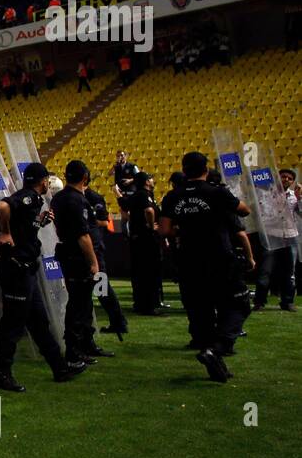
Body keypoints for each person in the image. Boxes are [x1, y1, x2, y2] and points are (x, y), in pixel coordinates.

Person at [0, 163, 87, 391]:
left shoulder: (33, 203)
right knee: (13, 325)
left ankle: (59, 368)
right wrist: (4, 232)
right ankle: (1, 375)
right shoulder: (30, 197)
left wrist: (39, 221)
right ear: (43, 181)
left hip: (25, 270)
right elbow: (3, 206)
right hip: (17, 269)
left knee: (39, 322)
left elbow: (24, 225)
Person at [159, 152, 251, 382]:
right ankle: (217, 350)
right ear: (206, 170)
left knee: (202, 313)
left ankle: (214, 362)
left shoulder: (173, 196)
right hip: (220, 258)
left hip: (189, 261)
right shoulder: (216, 192)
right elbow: (244, 210)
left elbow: (164, 230)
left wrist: (185, 228)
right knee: (238, 305)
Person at [51, 162, 109, 366]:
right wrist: (94, 262)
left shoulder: (58, 198)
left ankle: (85, 342)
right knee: (79, 303)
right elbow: (83, 236)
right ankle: (75, 350)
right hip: (78, 256)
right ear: (85, 176)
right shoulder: (78, 200)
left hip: (66, 252)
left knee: (83, 302)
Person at [84, 182, 128, 339]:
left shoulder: (93, 197)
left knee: (102, 289)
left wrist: (83, 220)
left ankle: (119, 322)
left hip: (95, 250)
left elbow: (104, 221)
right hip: (86, 250)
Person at [253, 167, 298, 311]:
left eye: (289, 178)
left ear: (292, 182)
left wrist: (301, 198)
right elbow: (264, 213)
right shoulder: (268, 194)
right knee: (265, 270)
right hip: (272, 235)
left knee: (289, 272)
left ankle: (287, 301)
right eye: (283, 177)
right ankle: (259, 301)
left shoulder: (295, 195)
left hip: (290, 237)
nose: (286, 180)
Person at [122, 173, 165, 315]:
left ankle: (140, 303)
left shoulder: (136, 195)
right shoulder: (143, 195)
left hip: (137, 239)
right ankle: (149, 305)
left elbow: (125, 209)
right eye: (150, 178)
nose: (153, 180)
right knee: (149, 272)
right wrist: (151, 226)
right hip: (145, 239)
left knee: (139, 273)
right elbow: (149, 210)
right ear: (147, 182)